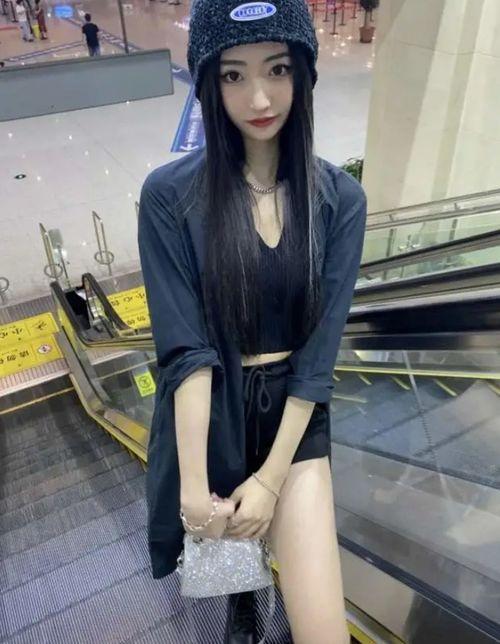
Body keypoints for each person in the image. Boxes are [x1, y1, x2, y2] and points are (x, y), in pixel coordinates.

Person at [138, 1, 367, 643]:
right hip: (214, 407)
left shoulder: (339, 201)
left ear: (304, 73)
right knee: (227, 538)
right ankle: (243, 597)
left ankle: (256, 582)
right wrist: (192, 485)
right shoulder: (171, 196)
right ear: (209, 85)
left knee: (323, 629)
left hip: (295, 413)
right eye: (233, 75)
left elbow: (318, 357)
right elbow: (186, 350)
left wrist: (270, 479)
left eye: (278, 69)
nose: (259, 98)